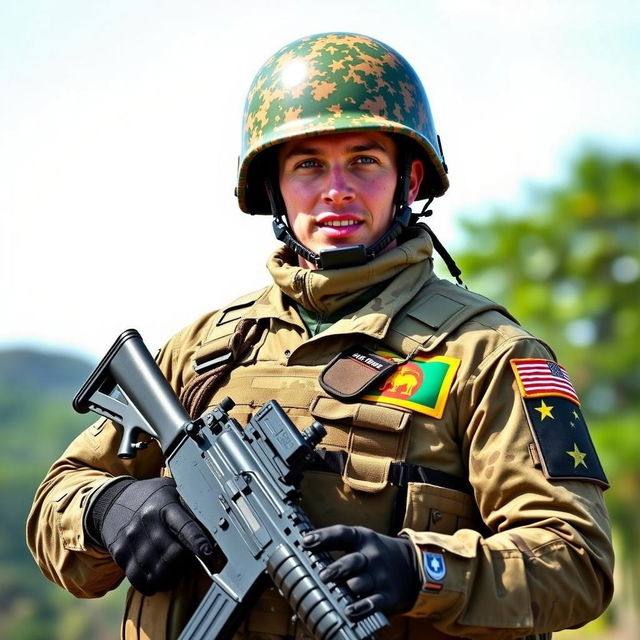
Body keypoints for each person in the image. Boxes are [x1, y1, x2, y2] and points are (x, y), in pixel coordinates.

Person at [27, 32, 614, 640]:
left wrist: (423, 571)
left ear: (409, 182)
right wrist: (109, 510)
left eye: (365, 160)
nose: (337, 189)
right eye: (308, 165)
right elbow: (54, 503)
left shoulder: (485, 353)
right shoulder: (204, 349)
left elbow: (577, 564)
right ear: (273, 188)